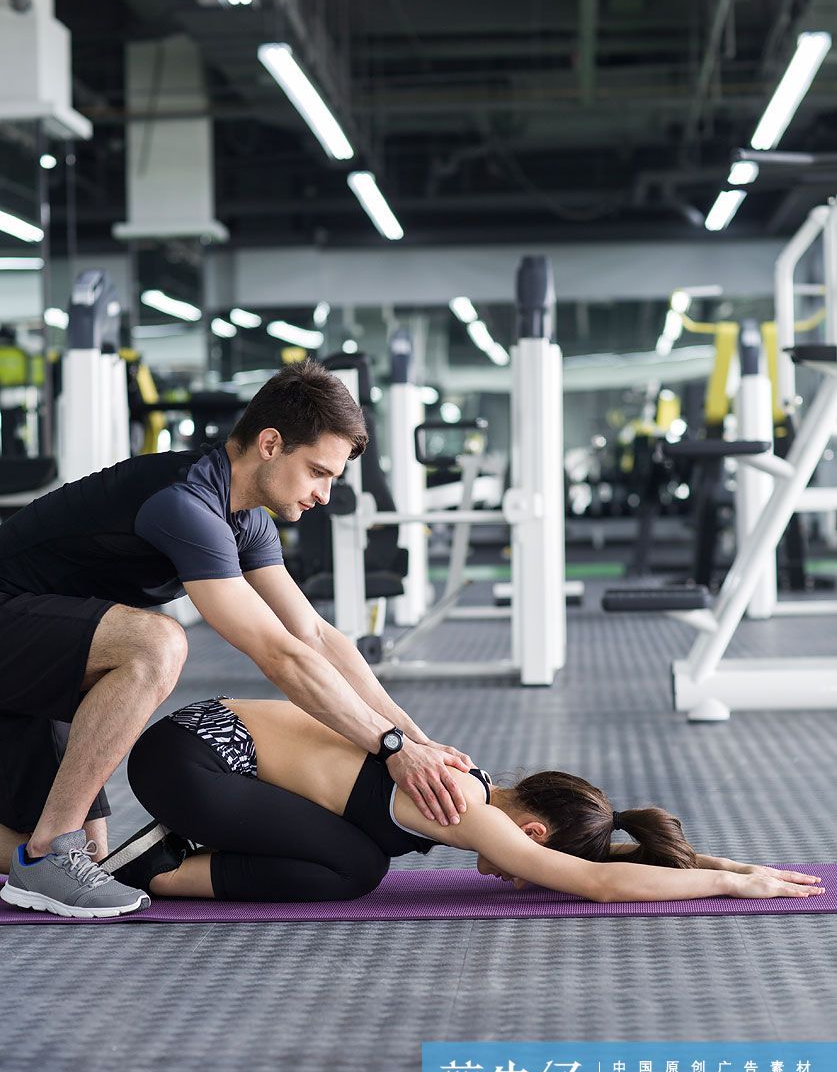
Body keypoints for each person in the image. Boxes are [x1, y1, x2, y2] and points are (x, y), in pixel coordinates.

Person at [0, 361, 473, 919]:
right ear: (270, 444)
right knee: (157, 644)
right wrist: (390, 749)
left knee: (95, 853)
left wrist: (416, 741)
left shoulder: (245, 517)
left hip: (39, 655)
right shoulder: (185, 503)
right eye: (318, 471)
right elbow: (279, 655)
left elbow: (315, 635)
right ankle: (48, 856)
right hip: (16, 629)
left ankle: (45, 856)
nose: (324, 494)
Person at [76, 694, 823, 908]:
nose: (516, 870)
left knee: (356, 857)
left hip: (200, 747)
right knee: (353, 867)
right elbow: (597, 883)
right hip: (191, 759)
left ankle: (168, 856)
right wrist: (732, 882)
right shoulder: (465, 804)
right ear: (529, 828)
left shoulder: (470, 781)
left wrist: (713, 859)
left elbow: (612, 863)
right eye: (531, 858)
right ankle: (151, 870)